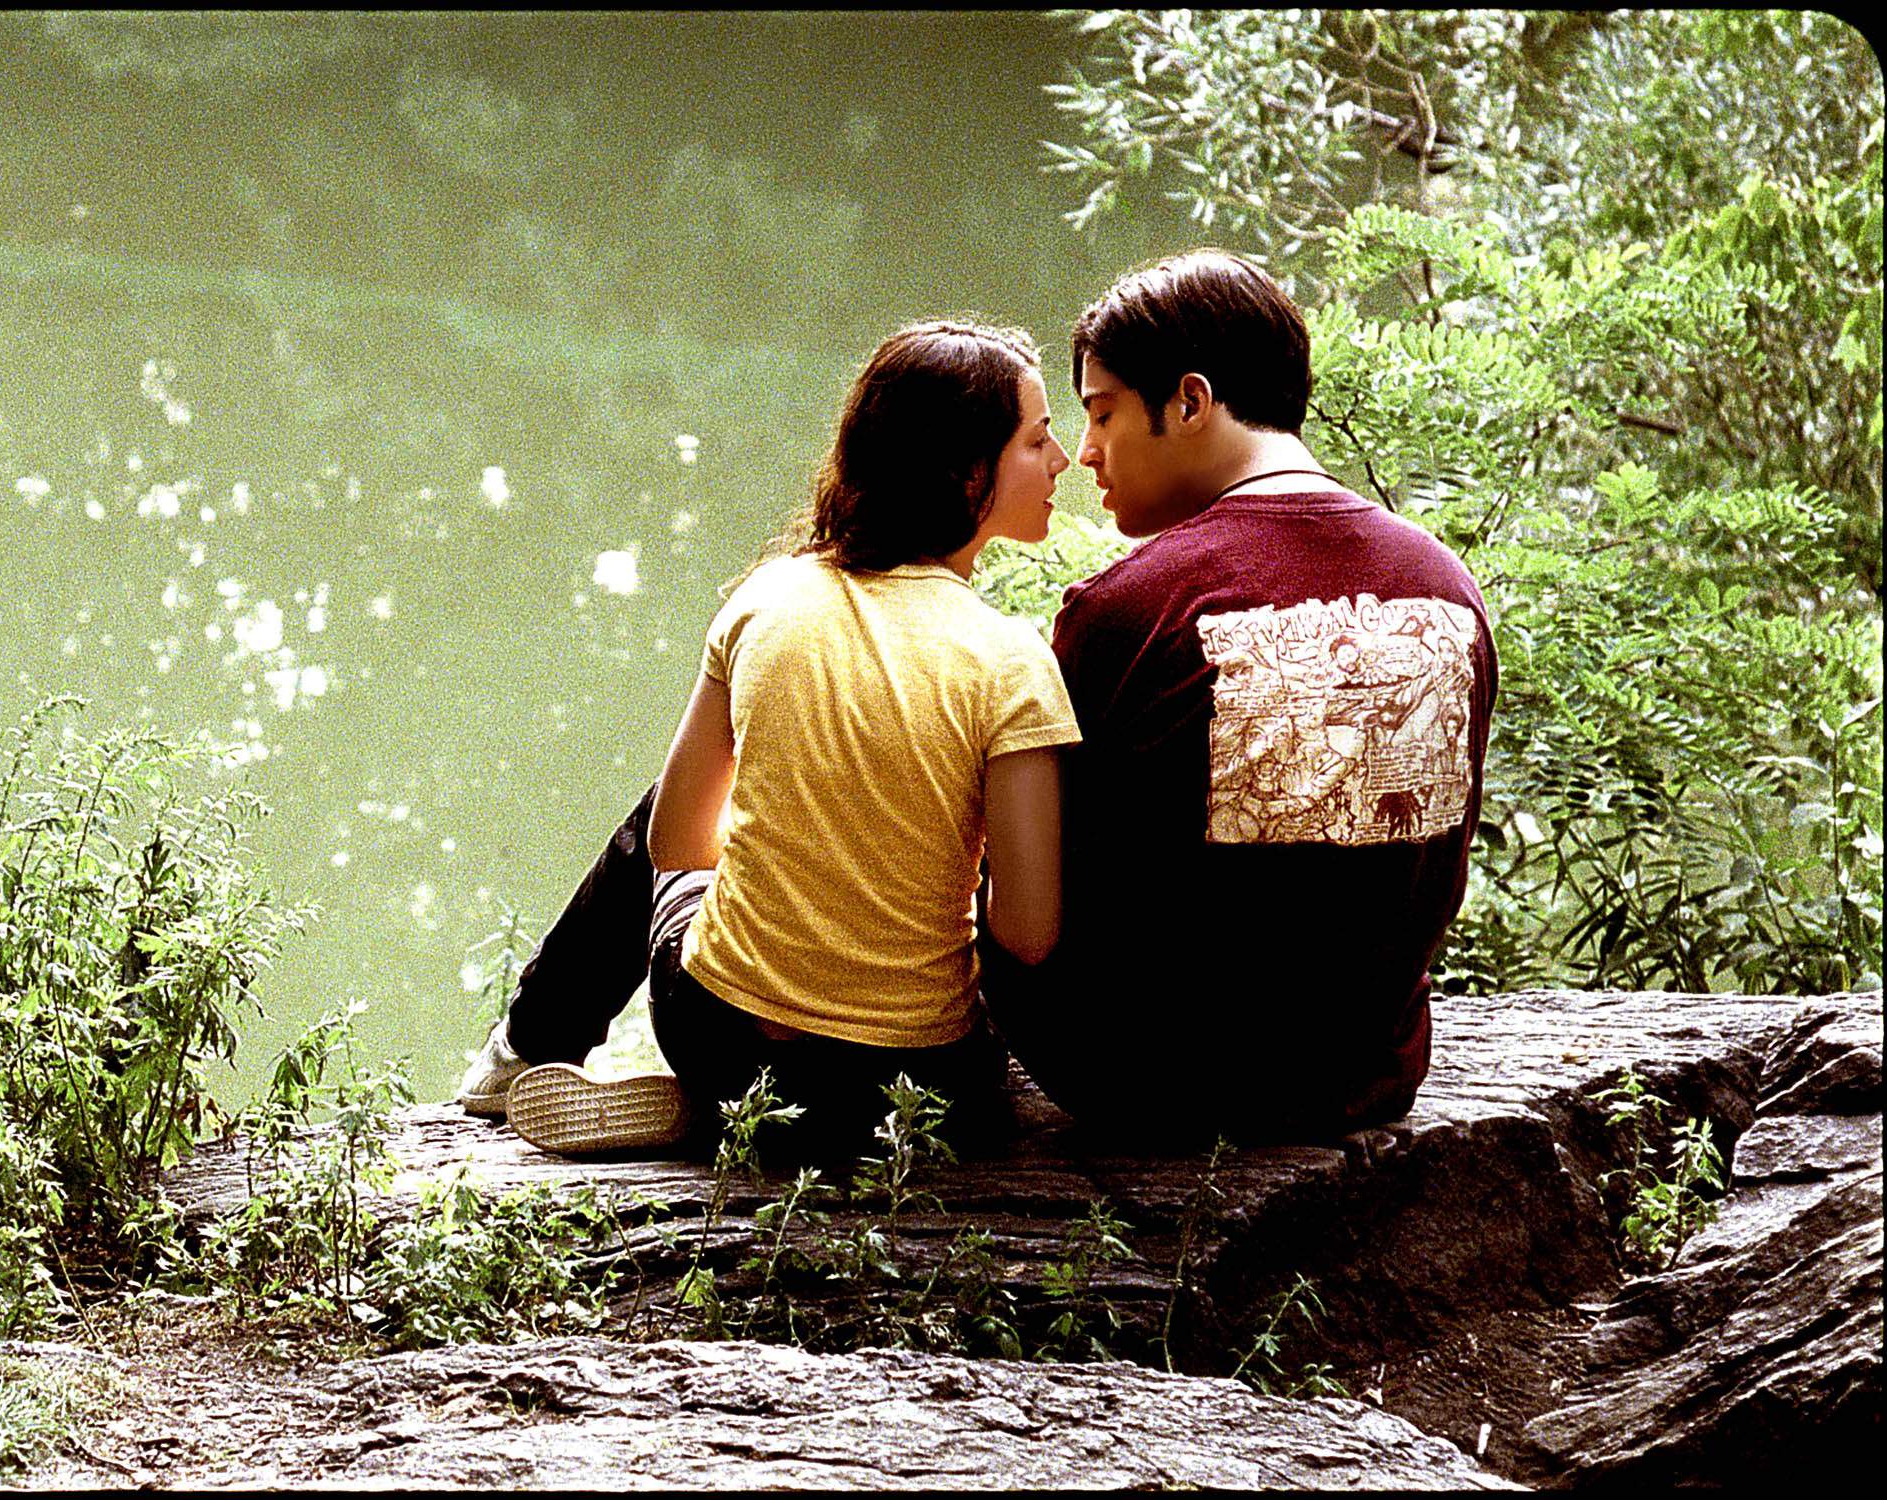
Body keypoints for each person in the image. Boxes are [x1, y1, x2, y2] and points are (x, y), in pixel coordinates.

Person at [457, 319, 1081, 1165]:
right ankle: (776, 1116)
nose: (1064, 461)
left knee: (669, 806)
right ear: (966, 469)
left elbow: (676, 842)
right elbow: (1029, 935)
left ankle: (530, 1059)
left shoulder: (769, 599)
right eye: (1037, 440)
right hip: (923, 1095)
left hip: (724, 1049)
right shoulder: (1013, 658)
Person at [985, 248, 1499, 1146]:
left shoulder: (1128, 609)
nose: (1088, 454)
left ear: (1188, 402)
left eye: (1102, 413)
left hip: (1143, 1082)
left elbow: (1038, 895)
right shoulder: (1447, 589)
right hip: (1362, 1071)